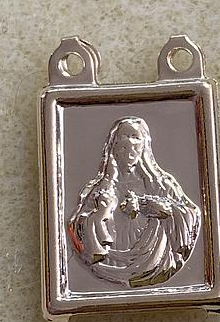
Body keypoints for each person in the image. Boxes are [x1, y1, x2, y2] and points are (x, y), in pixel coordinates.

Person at [67, 116, 201, 287]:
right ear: (114, 147)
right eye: (124, 139)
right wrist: (101, 212)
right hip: (109, 261)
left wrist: (163, 209)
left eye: (136, 138)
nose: (130, 144)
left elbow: (191, 213)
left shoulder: (161, 184)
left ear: (144, 147)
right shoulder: (100, 188)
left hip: (153, 258)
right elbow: (78, 224)